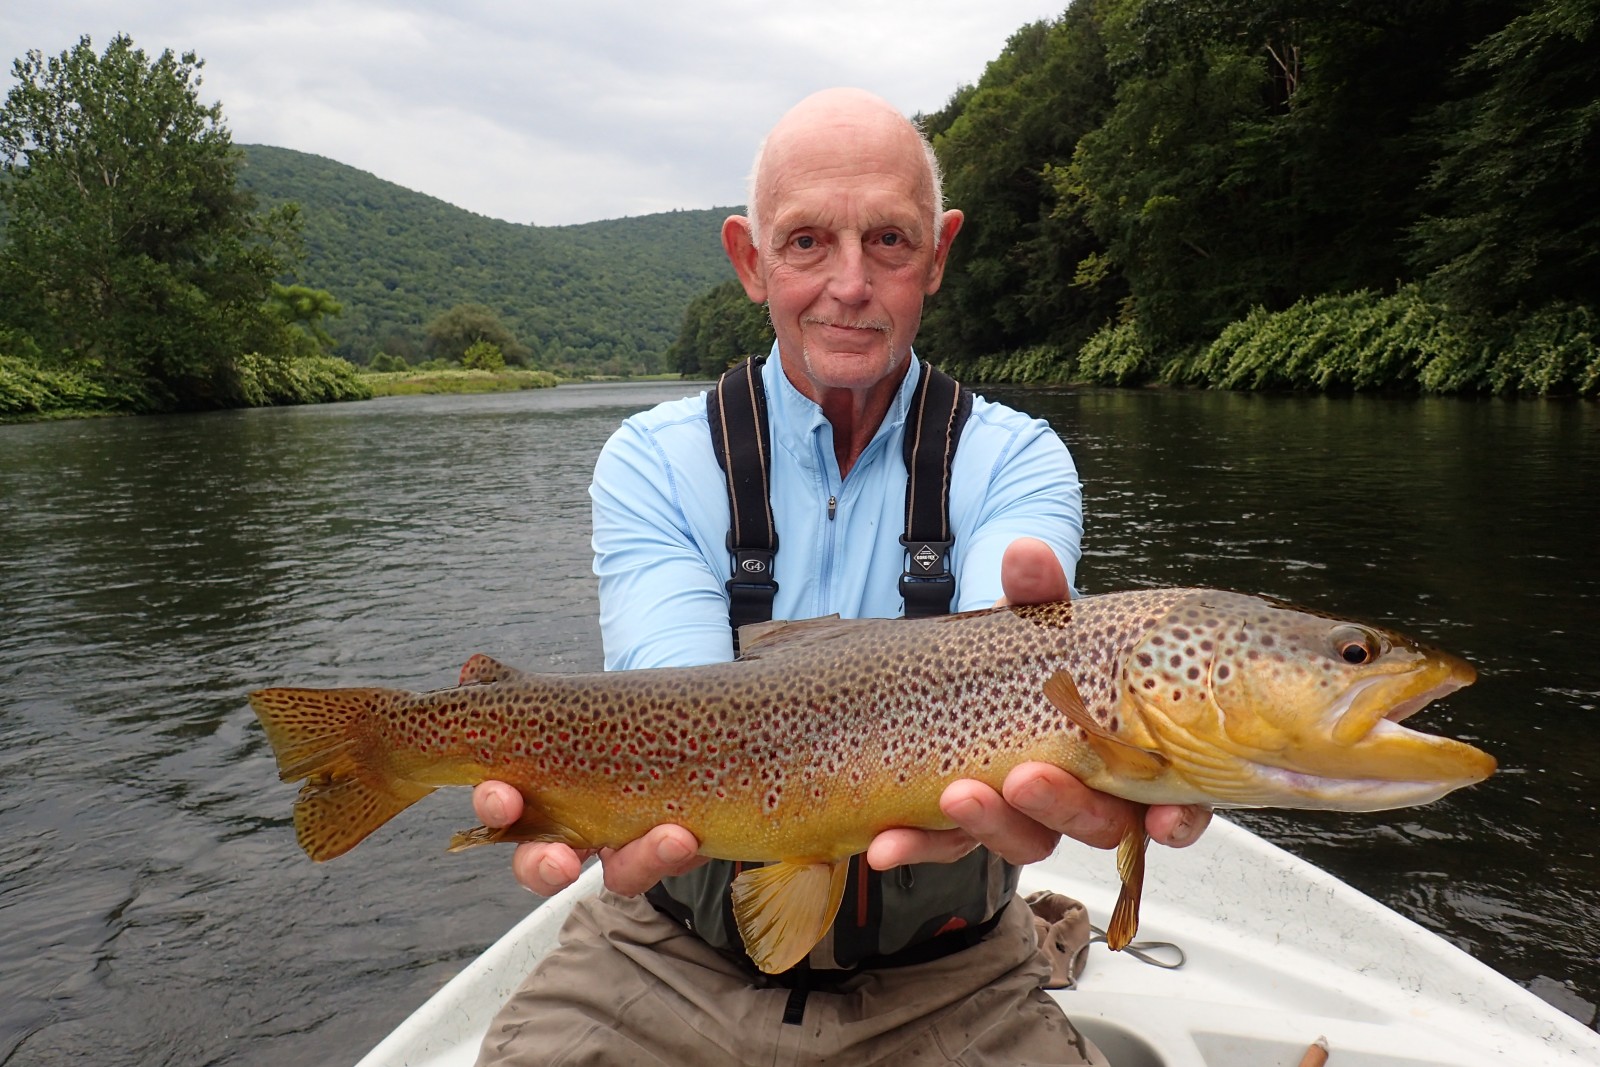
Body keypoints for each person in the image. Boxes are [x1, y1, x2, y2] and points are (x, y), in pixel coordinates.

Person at [470, 87, 1210, 1066]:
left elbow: (1012, 647)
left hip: (951, 975)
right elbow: (683, 702)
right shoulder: (652, 458)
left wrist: (1129, 742)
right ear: (749, 259)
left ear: (938, 254)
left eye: (890, 243)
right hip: (656, 956)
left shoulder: (1019, 460)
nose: (850, 282)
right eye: (808, 241)